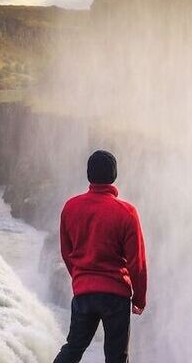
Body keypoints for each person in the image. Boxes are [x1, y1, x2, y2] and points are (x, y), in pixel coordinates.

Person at [53, 150, 147, 363]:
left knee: (73, 349)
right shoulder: (127, 212)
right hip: (116, 295)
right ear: (114, 175)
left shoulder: (71, 207)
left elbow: (67, 252)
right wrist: (139, 298)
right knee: (116, 357)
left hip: (84, 292)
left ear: (89, 174)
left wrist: (81, 279)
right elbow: (137, 262)